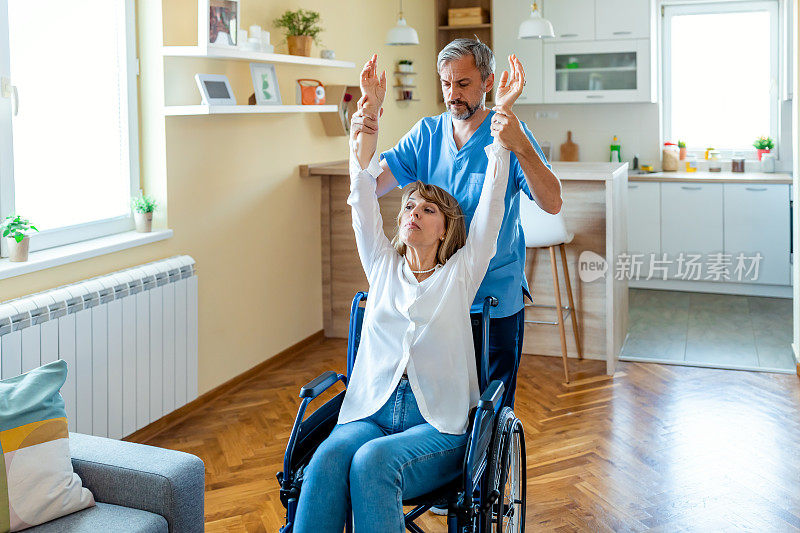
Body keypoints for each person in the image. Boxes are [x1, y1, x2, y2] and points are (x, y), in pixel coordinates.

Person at [292, 54, 522, 533]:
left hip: (435, 424)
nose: (413, 211)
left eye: (428, 209)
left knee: (372, 463)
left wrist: (501, 122)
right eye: (409, 205)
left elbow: (494, 204)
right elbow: (361, 194)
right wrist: (369, 116)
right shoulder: (383, 267)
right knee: (326, 458)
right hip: (371, 410)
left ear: (446, 229)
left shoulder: (461, 275)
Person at [351, 39, 562, 417]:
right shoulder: (426, 134)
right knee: (442, 411)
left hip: (491, 300)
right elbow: (370, 185)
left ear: (487, 82)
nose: (453, 95)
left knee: (489, 414)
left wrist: (521, 146)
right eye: (446, 84)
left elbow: (551, 202)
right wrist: (369, 116)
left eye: (463, 84)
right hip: (434, 298)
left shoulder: (507, 134)